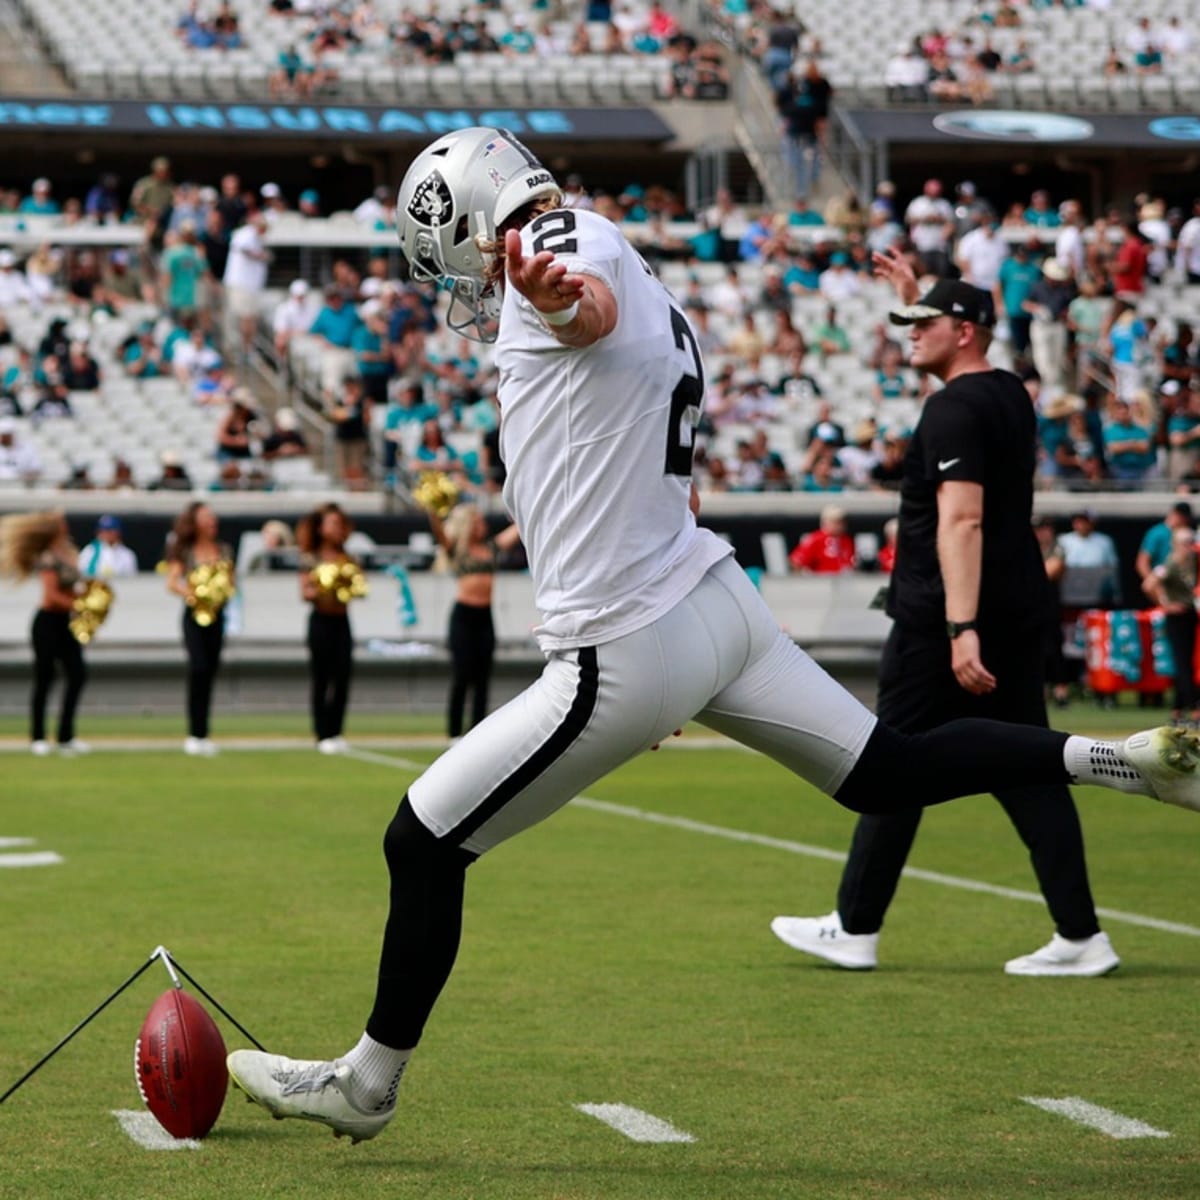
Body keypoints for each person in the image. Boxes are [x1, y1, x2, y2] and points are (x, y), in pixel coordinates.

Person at [226, 127, 1200, 1144]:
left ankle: (367, 1085)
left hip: (625, 641)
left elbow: (582, 309)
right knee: (885, 771)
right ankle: (1129, 759)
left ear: (479, 217)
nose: (467, 278)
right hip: (711, 604)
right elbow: (596, 323)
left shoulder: (557, 256)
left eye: (459, 251)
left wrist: (555, 299)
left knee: (421, 841)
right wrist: (562, 300)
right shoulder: (605, 242)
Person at [773, 260, 1118, 978]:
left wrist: (962, 629)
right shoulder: (1009, 395)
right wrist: (916, 302)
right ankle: (1082, 935)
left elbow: (961, 521)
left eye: (923, 326)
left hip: (947, 620)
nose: (908, 336)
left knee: (888, 761)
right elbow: (956, 371)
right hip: (1015, 608)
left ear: (963, 332)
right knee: (1030, 770)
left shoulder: (954, 409)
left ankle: (855, 925)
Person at [427, 502, 521, 739]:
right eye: (477, 521)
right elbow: (439, 533)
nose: (483, 525)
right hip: (463, 617)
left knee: (482, 678)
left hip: (485, 617)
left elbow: (518, 530)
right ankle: (454, 733)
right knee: (462, 675)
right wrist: (432, 509)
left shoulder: (491, 548)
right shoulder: (458, 550)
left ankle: (477, 733)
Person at [0, 510, 90, 756]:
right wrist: (79, 606)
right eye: (61, 522)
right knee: (45, 677)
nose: (65, 525)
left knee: (77, 673)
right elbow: (50, 597)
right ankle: (38, 736)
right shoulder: (48, 557)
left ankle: (65, 736)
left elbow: (75, 588)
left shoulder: (69, 552)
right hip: (48, 623)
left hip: (67, 623)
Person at [164, 502, 235, 756]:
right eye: (206, 517)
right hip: (194, 616)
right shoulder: (185, 551)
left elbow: (231, 582)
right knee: (199, 668)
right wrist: (195, 594)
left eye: (212, 517)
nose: (212, 521)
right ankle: (195, 733)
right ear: (195, 523)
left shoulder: (224, 549)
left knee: (210, 671)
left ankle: (204, 733)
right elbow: (172, 582)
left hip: (218, 616)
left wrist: (220, 593)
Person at [297, 503, 359, 754]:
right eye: (332, 523)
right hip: (321, 621)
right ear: (321, 529)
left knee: (343, 676)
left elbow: (357, 587)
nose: (337, 528)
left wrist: (347, 584)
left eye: (339, 524)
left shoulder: (347, 558)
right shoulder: (311, 557)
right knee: (322, 677)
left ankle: (337, 730)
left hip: (341, 621)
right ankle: (322, 733)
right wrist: (325, 586)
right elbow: (305, 592)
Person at [1142, 526, 1199, 727]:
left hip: (1190, 614)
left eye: (1190, 542)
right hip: (1177, 617)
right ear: (1175, 545)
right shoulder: (1170, 564)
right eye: (1185, 543)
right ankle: (1194, 710)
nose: (1189, 547)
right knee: (1182, 663)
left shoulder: (1191, 563)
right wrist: (1165, 604)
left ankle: (1177, 711)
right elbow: (1149, 584)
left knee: (1186, 663)